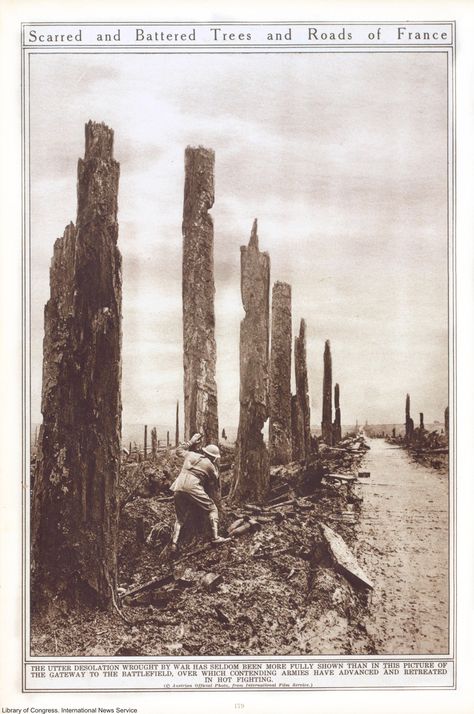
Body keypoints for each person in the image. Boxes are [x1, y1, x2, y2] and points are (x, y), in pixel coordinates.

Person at [170, 432, 230, 553]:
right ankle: (216, 537)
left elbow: (179, 450)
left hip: (178, 487)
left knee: (179, 518)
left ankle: (174, 543)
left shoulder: (190, 455)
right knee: (212, 508)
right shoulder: (210, 466)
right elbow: (215, 479)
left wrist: (191, 441)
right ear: (213, 457)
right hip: (193, 488)